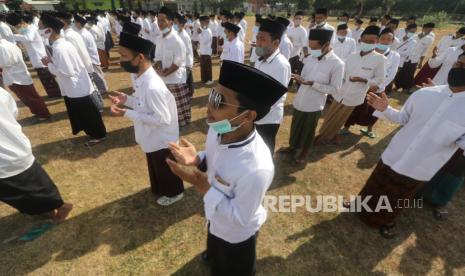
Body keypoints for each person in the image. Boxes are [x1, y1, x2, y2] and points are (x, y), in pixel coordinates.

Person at [166, 60, 287, 276]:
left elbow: (240, 218)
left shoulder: (256, 168)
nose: (209, 108)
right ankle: (212, 254)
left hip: (237, 236)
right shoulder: (218, 129)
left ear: (249, 116)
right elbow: (214, 158)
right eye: (213, 97)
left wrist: (205, 189)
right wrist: (197, 159)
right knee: (214, 244)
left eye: (220, 103)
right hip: (215, 220)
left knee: (232, 267)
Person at [351, 59, 465, 238]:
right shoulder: (426, 94)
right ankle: (359, 206)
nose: (459, 70)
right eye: (459, 64)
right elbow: (403, 118)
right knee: (376, 184)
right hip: (396, 152)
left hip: (421, 164)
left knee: (399, 196)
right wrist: (385, 109)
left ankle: (386, 221)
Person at [109, 31, 184, 206]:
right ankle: (160, 188)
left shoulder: (152, 86)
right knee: (156, 165)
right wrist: (126, 100)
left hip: (162, 138)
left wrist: (125, 113)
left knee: (165, 167)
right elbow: (143, 104)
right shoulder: (141, 78)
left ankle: (175, 193)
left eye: (123, 55)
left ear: (139, 57)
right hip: (152, 136)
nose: (120, 60)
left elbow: (161, 119)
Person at [0, 87, 73, 223]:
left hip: (5, 157)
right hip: (16, 148)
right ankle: (50, 209)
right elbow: (12, 112)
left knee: (24, 191)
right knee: (34, 185)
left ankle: (57, 208)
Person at [40, 13, 106, 146]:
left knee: (88, 113)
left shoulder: (60, 48)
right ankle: (95, 133)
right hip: (77, 86)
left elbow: (67, 71)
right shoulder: (61, 45)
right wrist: (52, 62)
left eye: (40, 27)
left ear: (50, 30)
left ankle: (98, 135)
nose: (39, 31)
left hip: (76, 87)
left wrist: (49, 65)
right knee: (86, 113)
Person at [279, 29, 344, 163]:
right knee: (296, 127)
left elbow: (335, 89)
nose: (311, 50)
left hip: (314, 104)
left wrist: (313, 84)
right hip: (300, 101)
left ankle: (304, 153)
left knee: (308, 132)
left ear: (326, 45)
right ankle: (292, 147)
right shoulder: (310, 58)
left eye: (314, 47)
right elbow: (305, 77)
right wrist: (299, 78)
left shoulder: (337, 64)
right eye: (310, 46)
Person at [315, 26, 385, 145]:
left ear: (377, 42)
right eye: (366, 41)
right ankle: (323, 134)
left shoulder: (380, 59)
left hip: (355, 95)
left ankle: (327, 138)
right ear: (360, 40)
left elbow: (379, 79)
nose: (368, 43)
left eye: (371, 42)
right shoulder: (352, 56)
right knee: (330, 116)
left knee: (340, 119)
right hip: (340, 92)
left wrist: (364, 80)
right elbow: (342, 74)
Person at [343, 28, 400, 138]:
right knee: (355, 107)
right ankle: (346, 127)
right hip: (362, 86)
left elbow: (391, 74)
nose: (385, 41)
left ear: (392, 41)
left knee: (374, 110)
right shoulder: (370, 51)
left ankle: (369, 128)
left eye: (389, 39)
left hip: (379, 88)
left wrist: (377, 86)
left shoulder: (395, 56)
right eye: (383, 38)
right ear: (378, 39)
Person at [253, 19, 292, 154]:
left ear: (275, 43)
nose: (258, 42)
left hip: (268, 118)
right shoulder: (260, 60)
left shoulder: (281, 65)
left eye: (262, 39)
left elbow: (275, 98)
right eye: (258, 38)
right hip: (255, 113)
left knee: (265, 150)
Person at [8, 13, 62, 98]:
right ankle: (53, 93)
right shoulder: (26, 30)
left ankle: (56, 94)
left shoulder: (31, 29)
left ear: (22, 23)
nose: (18, 28)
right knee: (44, 78)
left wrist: (12, 36)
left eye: (18, 26)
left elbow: (28, 38)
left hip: (39, 56)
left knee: (47, 77)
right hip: (36, 57)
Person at [0, 33, 51, 121]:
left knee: (30, 97)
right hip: (18, 75)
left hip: (16, 77)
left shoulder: (2, 48)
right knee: (28, 97)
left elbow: (5, 63)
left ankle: (43, 114)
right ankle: (38, 112)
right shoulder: (8, 44)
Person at [154, 7, 190, 128]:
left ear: (171, 22)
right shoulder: (159, 39)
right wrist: (159, 69)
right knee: (167, 103)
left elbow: (178, 62)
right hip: (163, 77)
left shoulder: (177, 40)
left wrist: (166, 73)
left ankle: (183, 124)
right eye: (158, 20)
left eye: (162, 20)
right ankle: (171, 122)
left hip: (175, 78)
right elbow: (157, 57)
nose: (159, 23)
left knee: (178, 105)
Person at [74, 15, 108, 97]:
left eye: (75, 23)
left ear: (78, 24)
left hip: (90, 58)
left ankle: (104, 89)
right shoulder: (83, 32)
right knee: (96, 74)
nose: (74, 24)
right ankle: (102, 88)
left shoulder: (83, 34)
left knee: (97, 74)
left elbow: (83, 49)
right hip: (90, 57)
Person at [174, 13, 195, 97]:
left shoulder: (185, 36)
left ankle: (190, 93)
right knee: (188, 78)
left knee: (187, 78)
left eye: (177, 23)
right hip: (182, 59)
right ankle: (190, 92)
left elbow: (187, 51)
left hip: (186, 60)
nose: (175, 24)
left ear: (182, 24)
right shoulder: (178, 33)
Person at [393, 24, 418, 92]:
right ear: (406, 31)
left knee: (393, 75)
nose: (412, 33)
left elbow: (407, 53)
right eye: (411, 31)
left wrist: (395, 51)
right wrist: (398, 51)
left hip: (400, 61)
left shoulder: (413, 42)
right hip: (392, 58)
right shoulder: (399, 39)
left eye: (414, 32)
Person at [287, 11, 308, 85]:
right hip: (287, 53)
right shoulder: (289, 28)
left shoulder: (303, 31)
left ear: (302, 20)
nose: (298, 20)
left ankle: (290, 84)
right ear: (293, 18)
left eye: (300, 19)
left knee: (292, 70)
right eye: (296, 18)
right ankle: (287, 83)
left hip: (295, 54)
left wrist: (293, 42)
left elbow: (304, 45)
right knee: (287, 69)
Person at [198, 15, 213, 85]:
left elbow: (204, 41)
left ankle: (209, 79)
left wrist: (200, 33)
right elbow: (200, 40)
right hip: (202, 51)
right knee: (203, 66)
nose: (200, 24)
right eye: (200, 23)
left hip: (207, 52)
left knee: (207, 67)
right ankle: (204, 79)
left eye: (201, 23)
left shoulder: (208, 31)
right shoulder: (203, 30)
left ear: (205, 22)